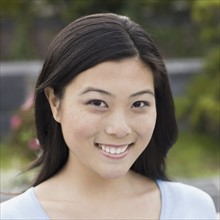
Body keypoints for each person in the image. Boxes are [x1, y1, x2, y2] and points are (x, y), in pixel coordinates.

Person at [1, 13, 216, 220]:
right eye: (97, 103)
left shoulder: (192, 208)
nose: (120, 128)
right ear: (55, 103)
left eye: (138, 104)